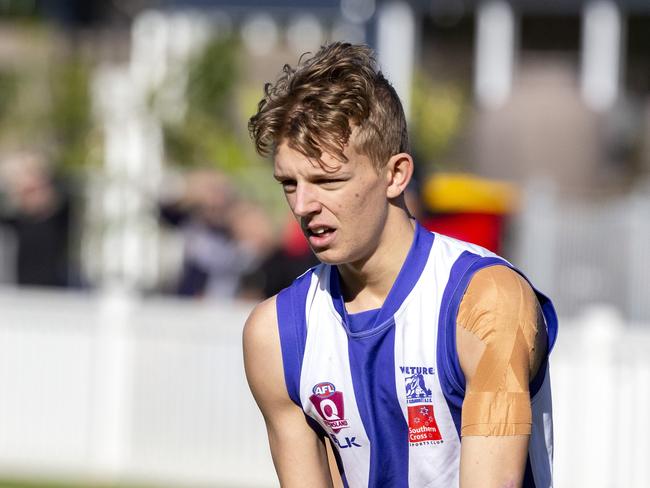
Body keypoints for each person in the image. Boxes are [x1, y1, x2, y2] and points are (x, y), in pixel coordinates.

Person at [243, 42, 557, 488]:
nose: (304, 205)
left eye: (328, 180)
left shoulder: (485, 302)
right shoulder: (276, 334)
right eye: (289, 183)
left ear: (396, 175)